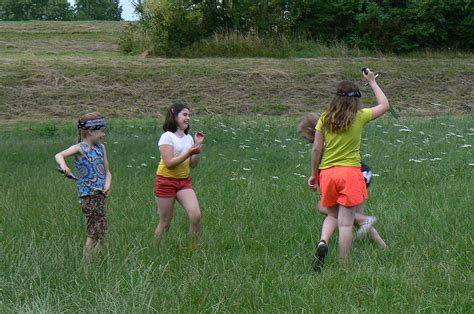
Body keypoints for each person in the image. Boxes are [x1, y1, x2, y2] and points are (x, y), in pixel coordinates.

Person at [308, 68, 390, 270]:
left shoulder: (324, 117)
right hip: (351, 173)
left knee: (331, 215)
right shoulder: (360, 116)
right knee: (345, 223)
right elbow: (385, 105)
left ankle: (323, 242)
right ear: (356, 101)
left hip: (328, 173)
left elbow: (317, 147)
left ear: (335, 98)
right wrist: (371, 81)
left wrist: (314, 174)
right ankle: (343, 265)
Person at [298, 113, 387, 253]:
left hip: (358, 175)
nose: (303, 139)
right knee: (354, 219)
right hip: (354, 175)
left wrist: (315, 176)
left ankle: (365, 223)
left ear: (311, 131)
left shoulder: (322, 146)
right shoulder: (325, 141)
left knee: (330, 209)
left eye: (304, 136)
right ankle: (382, 246)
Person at [54, 112, 112, 261]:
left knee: (102, 231)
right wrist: (64, 166)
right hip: (88, 196)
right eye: (101, 131)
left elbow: (107, 172)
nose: (103, 135)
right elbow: (59, 155)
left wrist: (107, 184)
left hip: (100, 195)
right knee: (94, 231)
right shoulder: (80, 148)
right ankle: (87, 264)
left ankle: (94, 261)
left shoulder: (101, 148)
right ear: (91, 131)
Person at [154, 102, 205, 251]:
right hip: (165, 181)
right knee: (165, 222)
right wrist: (189, 152)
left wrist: (197, 146)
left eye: (189, 115)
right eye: (184, 114)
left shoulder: (188, 138)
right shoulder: (167, 137)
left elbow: (193, 164)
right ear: (174, 115)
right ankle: (156, 250)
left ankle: (193, 248)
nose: (188, 118)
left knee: (196, 215)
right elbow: (169, 163)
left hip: (183, 182)